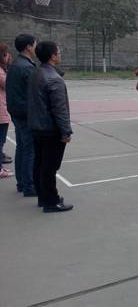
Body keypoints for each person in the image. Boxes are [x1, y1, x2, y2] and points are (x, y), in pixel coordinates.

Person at [28, 41, 73, 213]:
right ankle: (51, 201)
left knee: (40, 164)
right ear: (53, 56)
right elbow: (60, 109)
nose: (60, 55)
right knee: (50, 167)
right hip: (51, 129)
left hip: (37, 127)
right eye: (58, 52)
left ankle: (43, 197)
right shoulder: (54, 79)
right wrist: (66, 131)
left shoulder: (36, 73)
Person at [6, 34, 37, 196]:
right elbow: (35, 92)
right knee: (30, 150)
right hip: (26, 113)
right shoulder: (26, 67)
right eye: (35, 44)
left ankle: (22, 183)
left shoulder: (16, 64)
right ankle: (29, 185)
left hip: (17, 111)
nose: (36, 47)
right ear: (28, 47)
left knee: (22, 147)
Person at [0, 43, 13, 178]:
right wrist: (8, 65)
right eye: (6, 54)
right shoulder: (0, 71)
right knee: (0, 140)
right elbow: (9, 84)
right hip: (1, 111)